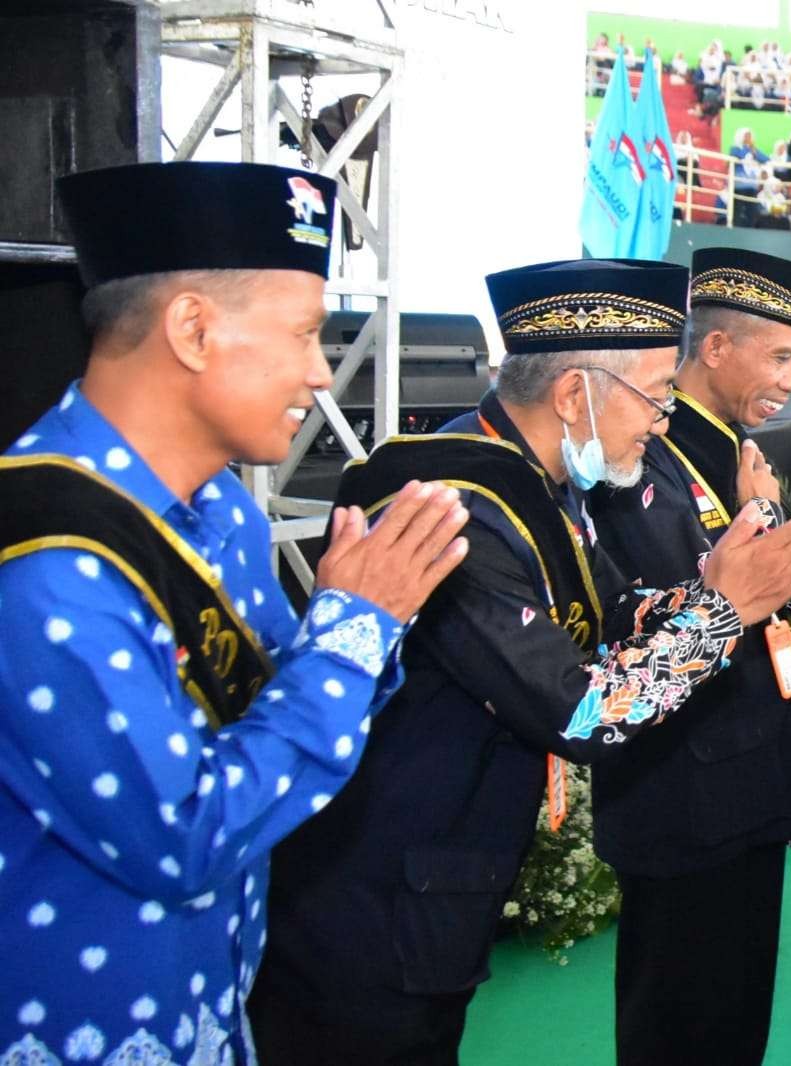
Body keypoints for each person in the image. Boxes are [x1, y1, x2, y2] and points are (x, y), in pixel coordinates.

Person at [249, 260, 791, 1064]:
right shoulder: (455, 509)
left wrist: (719, 584)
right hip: (377, 894)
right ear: (574, 395)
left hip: (439, 882)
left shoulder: (538, 481)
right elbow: (583, 711)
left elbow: (615, 619)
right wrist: (725, 610)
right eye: (654, 395)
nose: (665, 421)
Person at [0, 161, 472, 1065]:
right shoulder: (48, 562)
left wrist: (362, 620)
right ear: (191, 328)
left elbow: (275, 719)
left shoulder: (221, 510)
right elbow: (183, 837)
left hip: (212, 1006)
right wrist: (355, 628)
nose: (322, 375)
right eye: (304, 334)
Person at [585, 249, 791, 1066]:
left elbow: (767, 600)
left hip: (742, 781)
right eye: (783, 357)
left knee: (732, 1019)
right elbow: (648, 619)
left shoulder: (732, 451)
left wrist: (762, 521)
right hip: (683, 788)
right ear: (716, 349)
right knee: (680, 1021)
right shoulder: (638, 460)